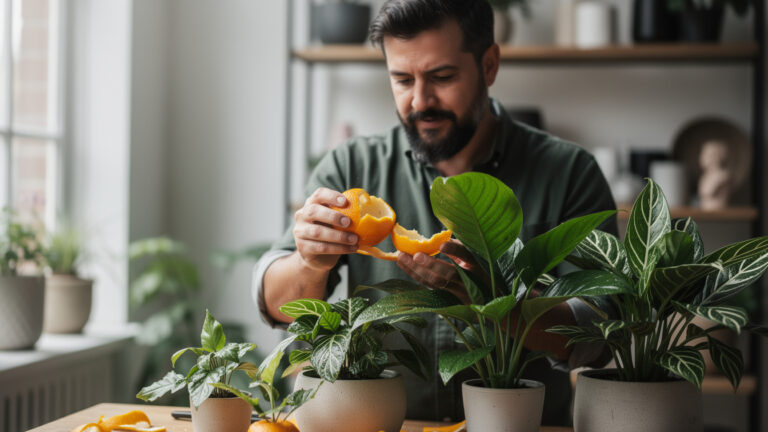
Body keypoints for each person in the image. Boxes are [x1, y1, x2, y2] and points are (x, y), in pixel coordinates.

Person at [253, 0, 617, 425]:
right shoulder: (351, 167)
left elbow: (598, 338)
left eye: (442, 77)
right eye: (402, 79)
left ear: (489, 65)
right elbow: (277, 306)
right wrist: (308, 261)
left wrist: (496, 301)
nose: (420, 101)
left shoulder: (570, 172)